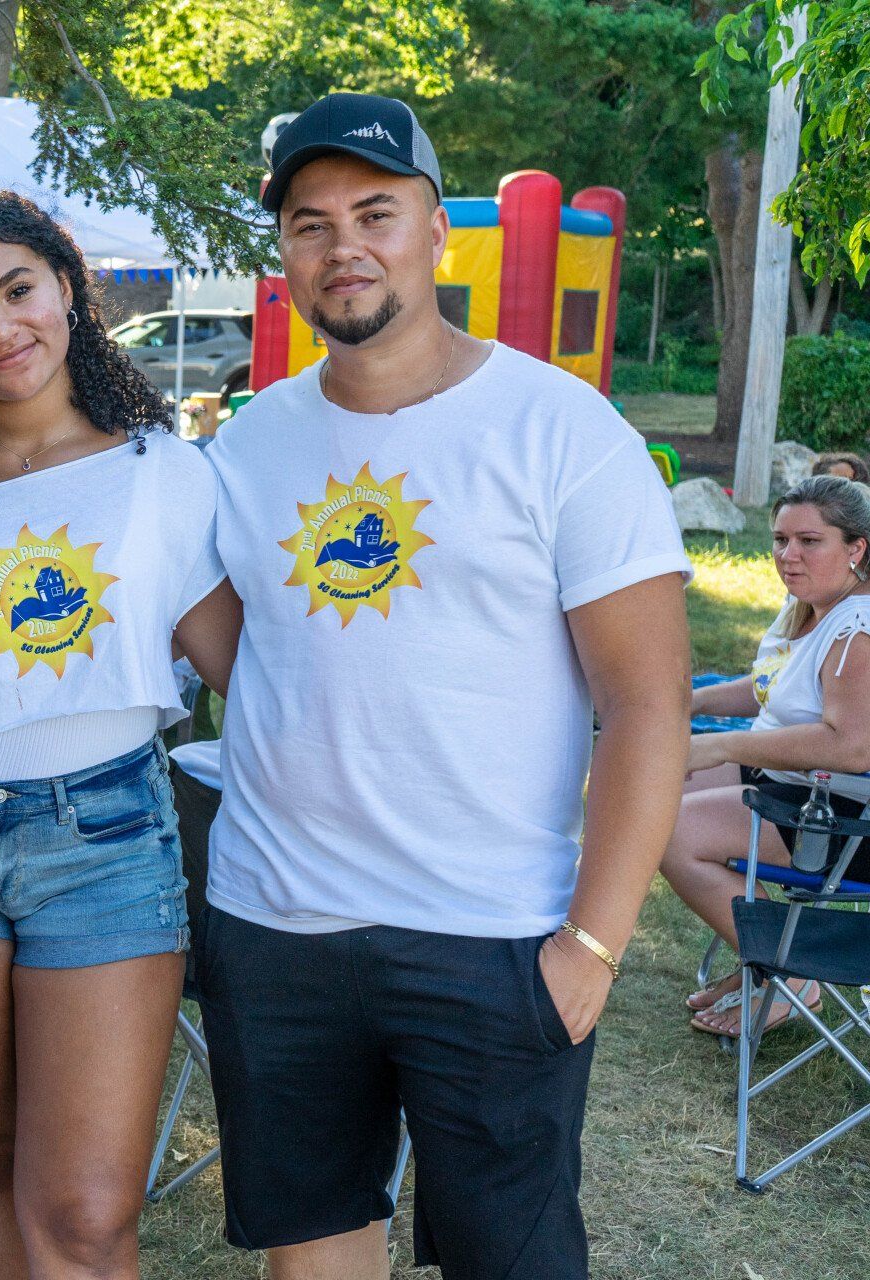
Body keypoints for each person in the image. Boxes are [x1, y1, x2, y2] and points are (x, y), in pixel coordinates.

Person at [199, 93, 692, 1279]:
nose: (342, 245)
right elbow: (231, 649)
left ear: (434, 231)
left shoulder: (565, 431)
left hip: (494, 931)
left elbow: (646, 704)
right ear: (284, 255)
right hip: (277, 921)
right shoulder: (249, 446)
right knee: (312, 1254)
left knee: (510, 1260)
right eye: (309, 224)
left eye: (374, 211)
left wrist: (593, 942)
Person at [0, 188, 235, 1279]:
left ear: (70, 290)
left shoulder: (165, 474)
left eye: (17, 289)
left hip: (108, 840)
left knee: (86, 1214)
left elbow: (254, 677)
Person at [664, 474, 870, 1036]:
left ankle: (791, 974)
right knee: (659, 791)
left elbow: (851, 746)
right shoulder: (813, 607)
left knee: (671, 832)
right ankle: (763, 964)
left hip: (845, 816)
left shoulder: (859, 628)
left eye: (810, 541)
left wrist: (721, 744)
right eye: (780, 539)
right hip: (801, 787)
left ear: (857, 548)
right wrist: (683, 704)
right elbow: (768, 687)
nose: (788, 554)